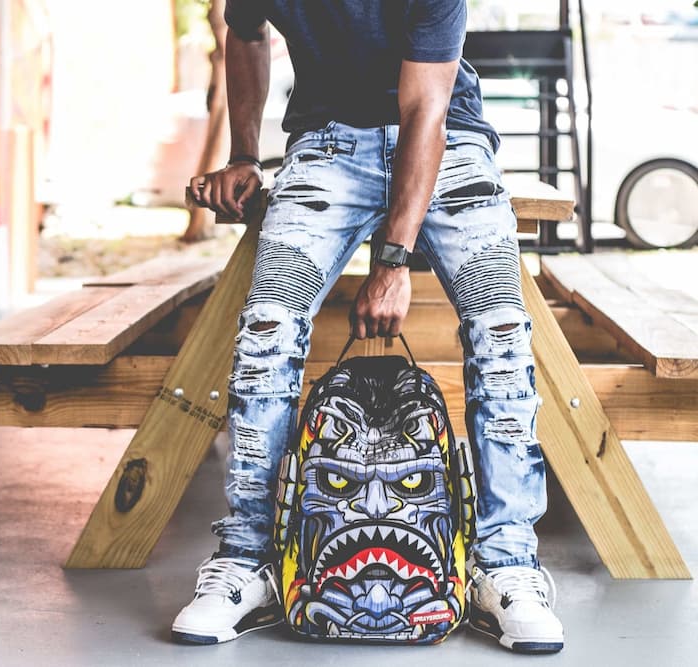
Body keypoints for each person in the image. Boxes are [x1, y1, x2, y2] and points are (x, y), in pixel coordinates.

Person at [171, 0, 565, 654]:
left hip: (449, 141)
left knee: (501, 333)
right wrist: (244, 152)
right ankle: (250, 557)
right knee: (266, 327)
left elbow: (425, 111)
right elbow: (242, 32)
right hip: (328, 143)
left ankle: (506, 562)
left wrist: (394, 259)